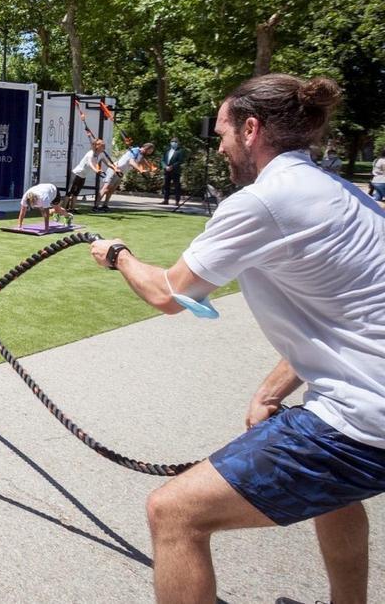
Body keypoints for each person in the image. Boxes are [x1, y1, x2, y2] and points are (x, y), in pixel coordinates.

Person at [89, 73, 385, 604]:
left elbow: (168, 294)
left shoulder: (265, 200)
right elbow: (350, 318)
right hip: (370, 411)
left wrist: (119, 256)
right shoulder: (343, 194)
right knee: (334, 494)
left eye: (223, 132)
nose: (220, 145)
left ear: (252, 129)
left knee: (174, 512)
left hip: (363, 422)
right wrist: (272, 391)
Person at [96, 142, 154, 212]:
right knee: (105, 188)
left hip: (121, 173)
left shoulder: (140, 155)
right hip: (115, 169)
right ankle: (95, 207)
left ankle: (105, 206)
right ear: (146, 148)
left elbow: (142, 161)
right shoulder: (135, 150)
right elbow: (131, 162)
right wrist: (140, 170)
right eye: (150, 151)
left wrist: (150, 167)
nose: (150, 153)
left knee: (111, 190)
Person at [66, 139, 108, 211]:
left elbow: (107, 163)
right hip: (76, 174)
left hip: (83, 176)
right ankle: (62, 210)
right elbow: (90, 164)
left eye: (104, 146)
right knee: (69, 193)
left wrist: (115, 168)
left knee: (76, 193)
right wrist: (96, 170)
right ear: (97, 146)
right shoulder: (90, 153)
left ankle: (72, 209)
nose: (104, 147)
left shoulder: (99, 154)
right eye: (102, 146)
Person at [160, 137, 187, 205]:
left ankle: (177, 201)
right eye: (172, 141)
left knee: (177, 186)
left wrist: (172, 166)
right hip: (167, 170)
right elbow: (162, 160)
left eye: (175, 142)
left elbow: (180, 161)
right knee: (166, 186)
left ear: (178, 143)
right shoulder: (167, 150)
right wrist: (165, 166)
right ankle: (166, 200)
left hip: (175, 171)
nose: (173, 143)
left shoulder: (180, 151)